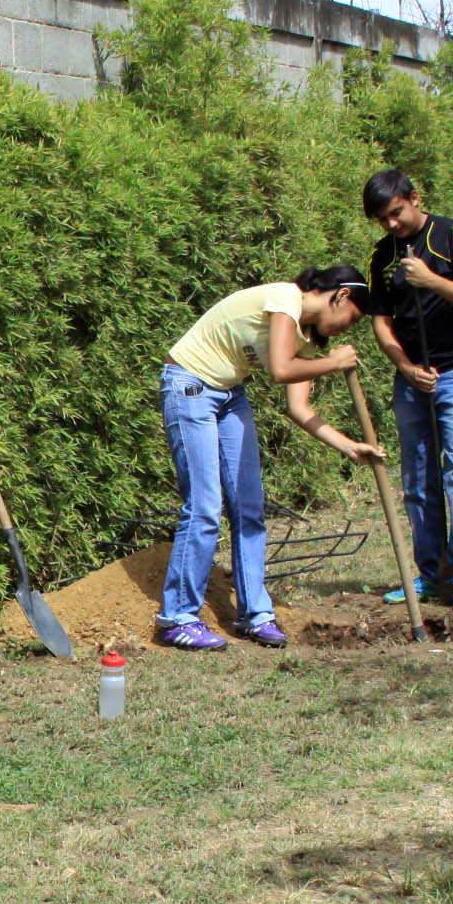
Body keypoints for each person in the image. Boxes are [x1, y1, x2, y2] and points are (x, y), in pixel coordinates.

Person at [156, 268, 386, 650]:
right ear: (341, 296)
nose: (349, 328)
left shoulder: (308, 339)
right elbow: (281, 370)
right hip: (190, 385)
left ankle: (255, 615)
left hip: (229, 394)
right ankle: (177, 618)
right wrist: (335, 363)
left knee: (249, 506)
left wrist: (348, 446)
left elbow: (299, 408)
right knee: (204, 506)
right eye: (354, 319)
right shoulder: (285, 300)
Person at [360, 169, 453, 611]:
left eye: (395, 213)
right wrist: (403, 365)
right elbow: (381, 320)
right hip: (412, 378)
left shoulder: (452, 234)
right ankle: (431, 576)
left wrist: (431, 280)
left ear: (414, 199)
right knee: (419, 480)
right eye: (383, 220)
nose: (392, 225)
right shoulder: (381, 256)